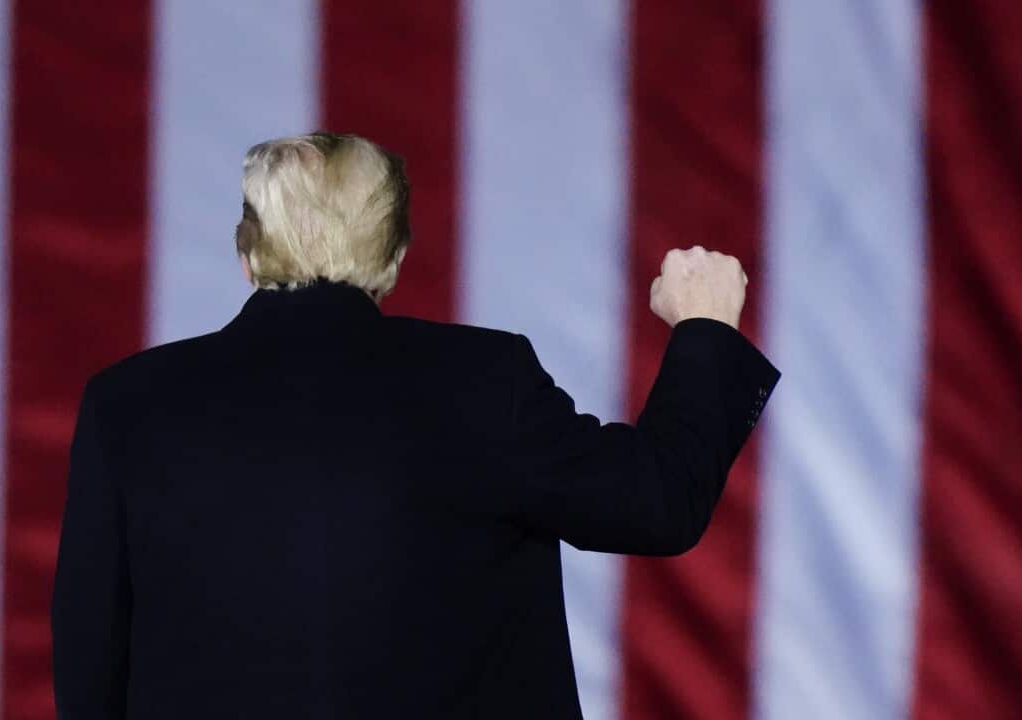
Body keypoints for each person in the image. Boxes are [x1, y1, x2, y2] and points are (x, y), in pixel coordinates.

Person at [50, 132, 780, 719]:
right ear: (393, 259)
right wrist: (705, 328)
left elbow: (90, 663)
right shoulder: (485, 383)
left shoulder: (126, 406)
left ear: (246, 255)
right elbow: (658, 502)